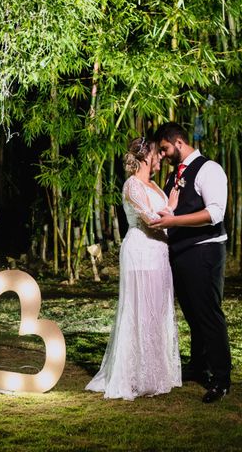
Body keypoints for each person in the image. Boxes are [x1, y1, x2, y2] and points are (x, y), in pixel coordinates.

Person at [86, 137, 182, 400]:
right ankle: (134, 374)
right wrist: (172, 208)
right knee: (139, 310)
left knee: (156, 311)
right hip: (140, 252)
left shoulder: (154, 185)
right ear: (145, 157)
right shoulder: (132, 185)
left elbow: (161, 218)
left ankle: (155, 372)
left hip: (159, 253)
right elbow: (152, 220)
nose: (161, 157)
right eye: (157, 154)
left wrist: (169, 209)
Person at [152, 122, 231, 403]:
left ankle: (221, 379)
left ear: (179, 142)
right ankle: (200, 366)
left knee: (209, 314)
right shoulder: (175, 176)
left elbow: (215, 213)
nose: (162, 155)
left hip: (205, 251)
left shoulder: (210, 169)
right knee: (194, 316)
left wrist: (174, 221)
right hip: (181, 253)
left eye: (164, 149)